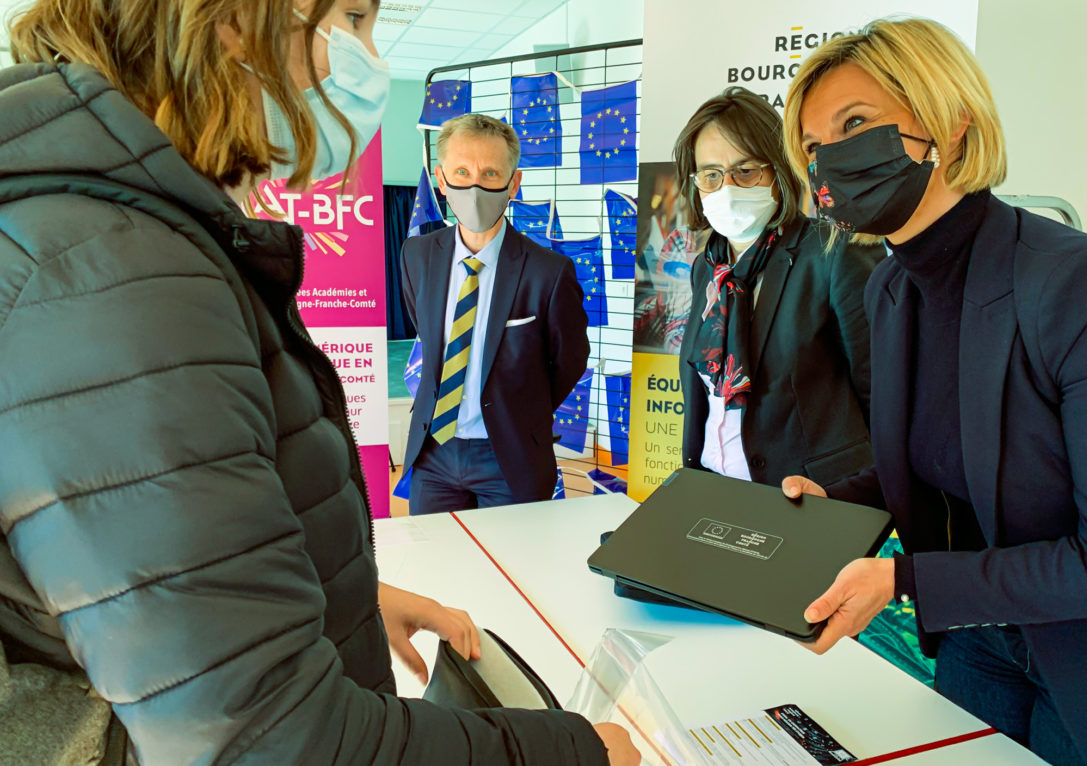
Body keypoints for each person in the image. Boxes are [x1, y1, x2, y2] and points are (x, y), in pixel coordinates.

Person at [0, 0, 637, 763]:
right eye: (357, 18)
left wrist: (346, 602)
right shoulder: (111, 273)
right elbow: (270, 741)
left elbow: (165, 587)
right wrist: (571, 753)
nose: (374, 56)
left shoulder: (119, 238)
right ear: (235, 18)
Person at [778, 18, 1087, 766]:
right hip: (980, 639)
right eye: (813, 145)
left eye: (856, 125)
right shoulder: (891, 289)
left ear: (950, 119)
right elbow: (951, 461)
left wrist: (904, 578)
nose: (830, 160)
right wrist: (836, 501)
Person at [674, 86, 882, 488]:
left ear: (780, 170)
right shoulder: (708, 269)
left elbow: (882, 396)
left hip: (809, 499)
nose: (728, 187)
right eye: (711, 175)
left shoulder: (832, 251)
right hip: (713, 486)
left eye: (746, 170)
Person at [401, 113, 589, 516]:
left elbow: (569, 362)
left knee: (513, 571)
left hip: (511, 455)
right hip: (433, 452)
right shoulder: (417, 256)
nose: (474, 185)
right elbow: (428, 332)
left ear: (513, 183)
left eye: (490, 174)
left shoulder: (549, 272)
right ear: (440, 178)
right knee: (436, 570)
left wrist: (520, 409)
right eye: (462, 171)